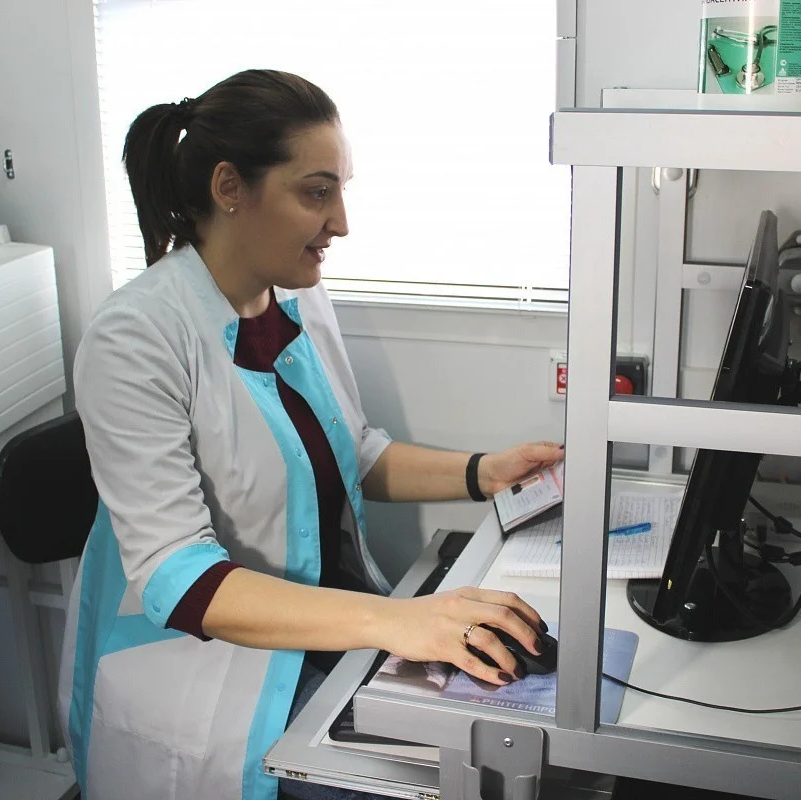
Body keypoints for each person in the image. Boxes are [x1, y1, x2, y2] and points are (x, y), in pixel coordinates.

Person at [57, 69, 563, 800]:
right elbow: (179, 579)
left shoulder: (296, 294)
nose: (341, 223)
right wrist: (397, 623)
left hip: (327, 629)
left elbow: (352, 452)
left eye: (340, 191)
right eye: (317, 193)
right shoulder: (134, 338)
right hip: (207, 673)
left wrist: (485, 471)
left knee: (499, 744)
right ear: (230, 188)